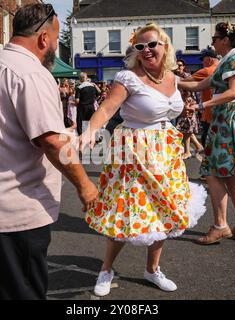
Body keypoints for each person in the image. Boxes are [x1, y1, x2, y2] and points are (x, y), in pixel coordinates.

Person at [0, 3, 98, 300]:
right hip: (13, 213)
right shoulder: (31, 73)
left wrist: (62, 135)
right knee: (22, 293)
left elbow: (7, 129)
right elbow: (50, 142)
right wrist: (86, 187)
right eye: (56, 40)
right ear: (44, 39)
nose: (55, 50)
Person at [81, 22, 207, 297]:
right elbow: (107, 108)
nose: (146, 50)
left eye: (152, 44)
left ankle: (152, 269)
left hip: (167, 152)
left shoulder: (172, 77)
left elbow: (201, 83)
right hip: (133, 153)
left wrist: (231, 67)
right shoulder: (128, 78)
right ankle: (106, 269)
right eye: (140, 46)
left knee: (165, 210)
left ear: (165, 46)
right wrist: (91, 129)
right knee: (126, 212)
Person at [179, 22, 235, 245]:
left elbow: (232, 92)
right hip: (228, 119)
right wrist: (169, 81)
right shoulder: (228, 60)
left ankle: (220, 226)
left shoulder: (234, 60)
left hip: (228, 119)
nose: (213, 42)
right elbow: (200, 84)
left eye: (215, 39)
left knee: (213, 172)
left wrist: (200, 106)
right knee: (228, 174)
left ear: (226, 40)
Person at [185, 47, 220, 147]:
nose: (202, 63)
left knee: (208, 142)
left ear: (209, 59)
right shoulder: (222, 69)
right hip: (222, 111)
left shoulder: (207, 71)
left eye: (203, 60)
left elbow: (186, 81)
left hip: (209, 111)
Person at [176, 91, 203, 159]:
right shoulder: (188, 98)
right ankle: (198, 146)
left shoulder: (189, 99)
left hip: (188, 118)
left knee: (187, 134)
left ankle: (187, 152)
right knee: (188, 133)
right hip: (187, 118)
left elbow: (191, 106)